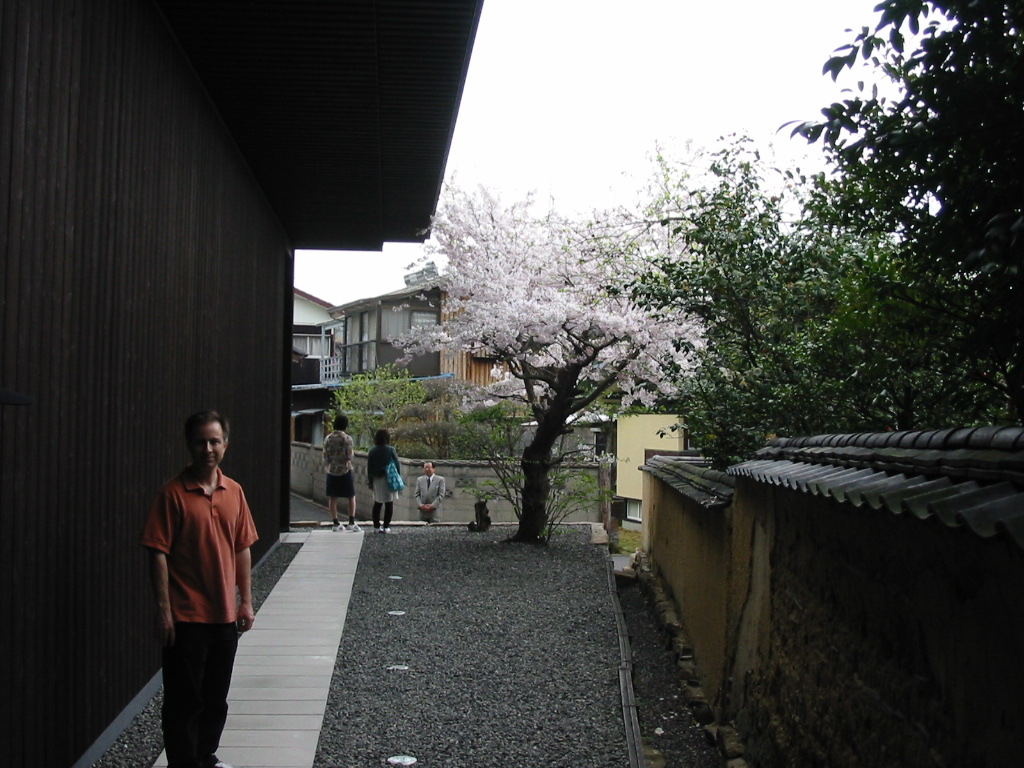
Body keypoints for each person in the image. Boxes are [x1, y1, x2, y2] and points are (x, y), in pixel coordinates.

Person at [140, 411, 258, 768]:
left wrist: (246, 603)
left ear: (225, 444)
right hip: (187, 617)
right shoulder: (172, 494)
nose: (207, 448)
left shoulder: (234, 491)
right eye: (200, 441)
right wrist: (164, 610)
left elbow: (242, 548)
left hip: (224, 617)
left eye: (214, 441)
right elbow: (157, 552)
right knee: (183, 700)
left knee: (215, 699)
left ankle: (205, 757)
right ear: (189, 445)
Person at [323, 413, 359, 531]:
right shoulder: (347, 438)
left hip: (332, 470)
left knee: (333, 497)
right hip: (345, 470)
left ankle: (335, 523)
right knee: (351, 496)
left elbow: (325, 457)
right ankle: (351, 522)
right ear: (345, 425)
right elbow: (350, 456)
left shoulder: (328, 438)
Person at [366, 428, 400, 533]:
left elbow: (369, 468)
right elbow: (397, 464)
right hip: (389, 478)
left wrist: (370, 481)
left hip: (377, 479)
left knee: (377, 503)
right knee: (389, 503)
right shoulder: (391, 450)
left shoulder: (372, 451)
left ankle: (376, 527)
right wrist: (398, 477)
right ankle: (386, 526)